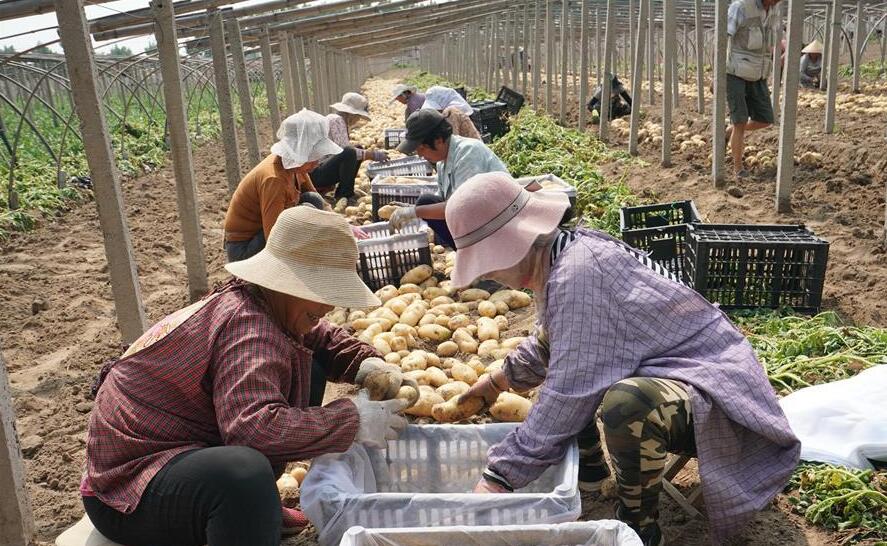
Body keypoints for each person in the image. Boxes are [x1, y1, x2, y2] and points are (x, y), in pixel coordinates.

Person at [450, 173, 800, 546]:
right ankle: (590, 475)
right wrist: (496, 382)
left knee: (626, 403)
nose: (490, 276)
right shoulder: (563, 256)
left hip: (717, 392)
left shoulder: (579, 275)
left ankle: (638, 531)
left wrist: (498, 478)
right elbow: (551, 345)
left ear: (514, 244)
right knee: (574, 369)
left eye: (488, 265)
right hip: (676, 373)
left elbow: (569, 391)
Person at [80, 206, 412, 546]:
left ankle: (252, 508)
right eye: (323, 293)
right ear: (290, 283)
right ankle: (243, 506)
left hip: (178, 450)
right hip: (128, 486)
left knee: (308, 369)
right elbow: (252, 429)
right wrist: (353, 420)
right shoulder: (250, 330)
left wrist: (365, 364)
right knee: (245, 474)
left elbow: (320, 336)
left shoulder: (265, 299)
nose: (328, 306)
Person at [224, 109, 341, 263]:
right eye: (313, 157)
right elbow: (273, 236)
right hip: (244, 250)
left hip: (264, 235)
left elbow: (318, 199)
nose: (316, 163)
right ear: (299, 151)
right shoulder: (273, 179)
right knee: (305, 212)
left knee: (312, 200)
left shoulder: (293, 166)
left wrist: (341, 226)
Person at [388, 109, 507, 247]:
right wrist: (414, 211)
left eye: (421, 148)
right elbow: (442, 200)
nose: (419, 155)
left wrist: (415, 212)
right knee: (426, 203)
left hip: (500, 223)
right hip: (481, 223)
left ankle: (478, 252)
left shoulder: (468, 152)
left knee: (425, 203)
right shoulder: (442, 163)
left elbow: (463, 206)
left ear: (438, 140)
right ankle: (469, 252)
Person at [724, 0, 782, 178]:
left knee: (765, 119)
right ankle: (738, 168)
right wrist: (716, 75)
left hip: (758, 72)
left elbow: (773, 40)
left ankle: (730, 131)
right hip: (736, 72)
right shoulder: (740, 7)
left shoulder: (774, 10)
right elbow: (722, 38)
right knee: (740, 120)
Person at [310, 92, 389, 205]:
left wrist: (366, 153)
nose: (358, 120)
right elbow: (343, 151)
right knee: (351, 152)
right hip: (315, 175)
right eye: (358, 116)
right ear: (351, 114)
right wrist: (372, 155)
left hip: (320, 171)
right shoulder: (336, 120)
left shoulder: (339, 121)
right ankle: (345, 193)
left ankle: (344, 190)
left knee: (356, 149)